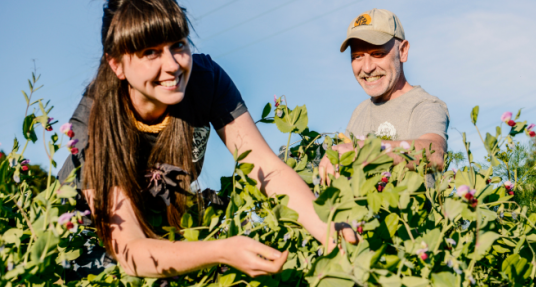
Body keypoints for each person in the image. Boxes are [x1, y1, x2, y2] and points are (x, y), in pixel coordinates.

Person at [58, 0, 356, 279]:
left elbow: (267, 168)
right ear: (117, 64)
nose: (173, 65)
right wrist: (222, 250)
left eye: (178, 45)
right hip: (85, 244)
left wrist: (330, 228)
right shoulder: (93, 122)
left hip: (161, 231)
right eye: (150, 52)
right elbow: (129, 251)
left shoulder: (205, 80)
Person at [320, 8, 450, 183]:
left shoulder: (424, 105)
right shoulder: (360, 111)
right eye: (357, 56)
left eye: (377, 54)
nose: (367, 68)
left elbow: (435, 153)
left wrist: (368, 150)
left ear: (403, 51)